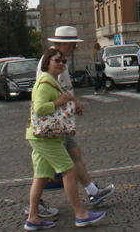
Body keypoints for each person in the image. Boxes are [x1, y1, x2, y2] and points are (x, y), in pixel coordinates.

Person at [24, 47, 106, 230]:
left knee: (41, 176)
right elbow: (39, 108)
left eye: (63, 61)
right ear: (47, 63)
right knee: (68, 170)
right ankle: (81, 214)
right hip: (45, 137)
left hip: (41, 136)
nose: (61, 64)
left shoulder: (53, 81)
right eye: (56, 61)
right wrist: (58, 102)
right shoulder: (45, 82)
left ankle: (33, 218)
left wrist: (72, 101)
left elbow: (63, 97)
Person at [36, 26, 115, 208]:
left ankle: (92, 192)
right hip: (53, 120)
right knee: (46, 164)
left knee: (74, 153)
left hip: (61, 119)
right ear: (64, 44)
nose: (75, 48)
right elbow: (53, 89)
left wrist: (73, 102)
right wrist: (72, 102)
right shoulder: (51, 60)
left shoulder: (59, 59)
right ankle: (37, 205)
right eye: (73, 44)